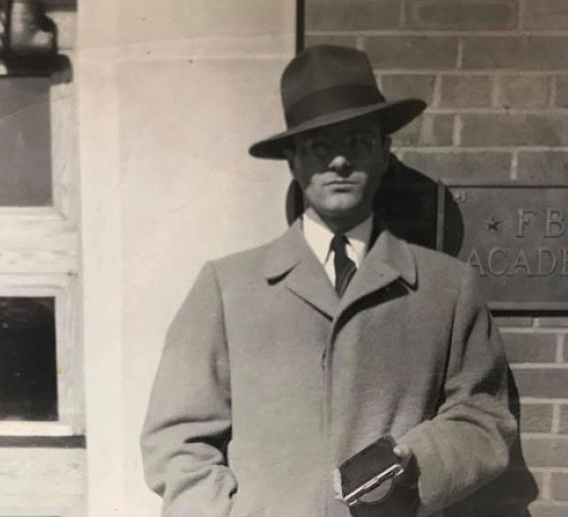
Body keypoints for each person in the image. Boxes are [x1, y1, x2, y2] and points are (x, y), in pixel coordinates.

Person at [140, 45, 516, 517]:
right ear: (294, 161)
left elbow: (484, 418)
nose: (339, 160)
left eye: (358, 140)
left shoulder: (448, 288)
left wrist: (414, 461)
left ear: (384, 152)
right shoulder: (227, 287)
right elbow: (178, 438)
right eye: (319, 145)